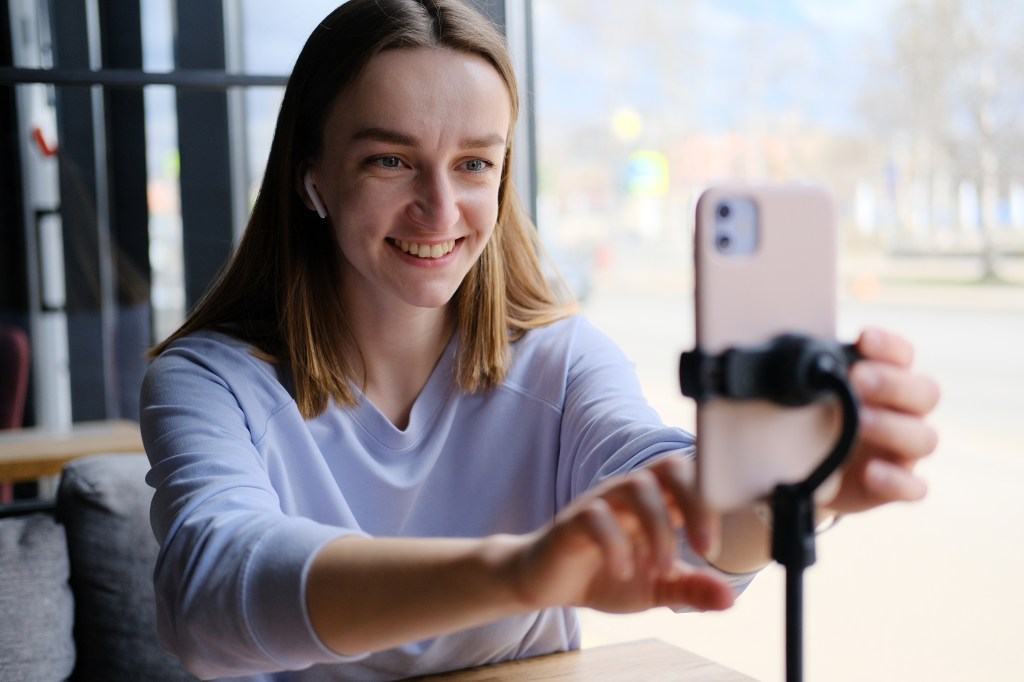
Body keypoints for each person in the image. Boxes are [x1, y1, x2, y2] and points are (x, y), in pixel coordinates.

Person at [140, 1, 941, 680]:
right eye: (390, 160)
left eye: (474, 165)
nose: (441, 208)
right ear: (310, 175)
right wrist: (518, 571)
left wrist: (794, 485)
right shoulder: (210, 381)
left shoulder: (560, 360)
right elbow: (210, 594)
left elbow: (671, 500)